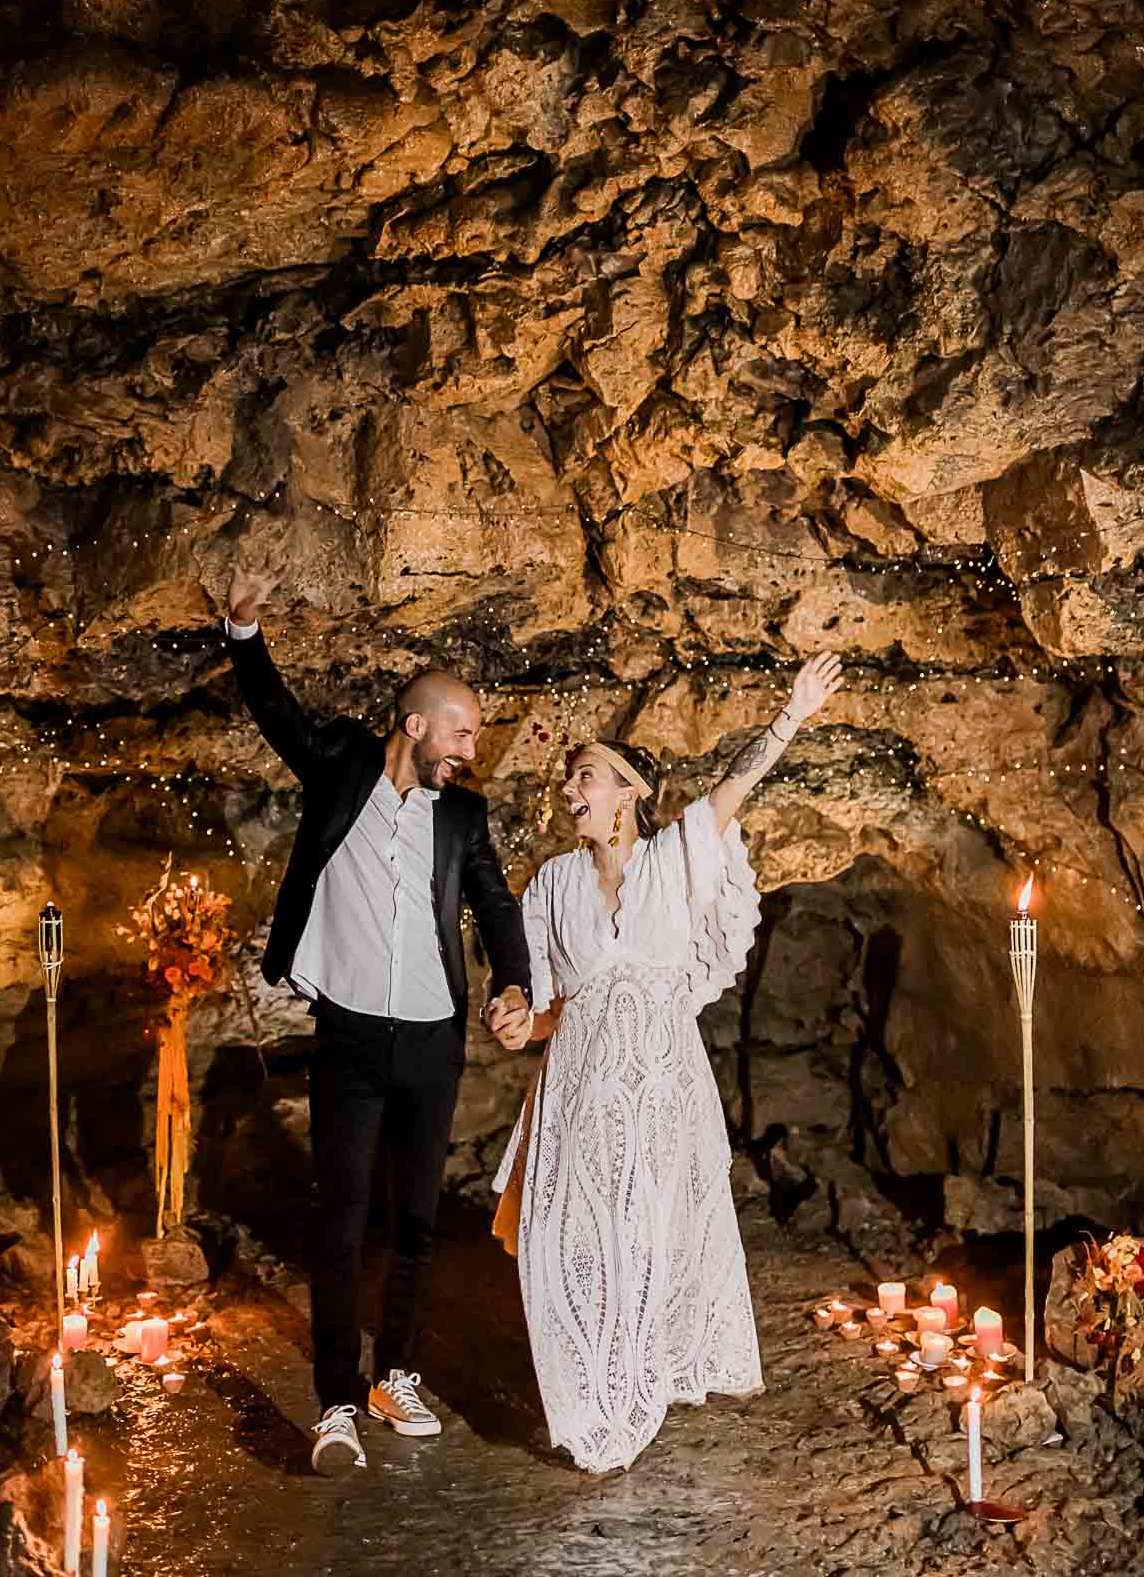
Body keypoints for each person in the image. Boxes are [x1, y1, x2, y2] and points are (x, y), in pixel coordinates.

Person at [492, 652, 845, 1474]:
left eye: (586, 777)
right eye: (569, 781)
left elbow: (735, 787)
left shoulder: (674, 858)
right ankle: (585, 1398)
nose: (570, 792)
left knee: (646, 1233)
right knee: (560, 1238)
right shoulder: (549, 885)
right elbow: (543, 1007)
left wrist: (791, 715)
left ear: (629, 791)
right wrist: (516, 1022)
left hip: (659, 1082)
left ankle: (630, 1392)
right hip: (578, 1085)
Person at [223, 550, 533, 1474]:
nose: (473, 751)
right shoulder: (344, 769)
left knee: (416, 1221)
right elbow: (276, 713)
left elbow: (497, 904)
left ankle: (393, 1374)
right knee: (342, 1214)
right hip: (351, 1035)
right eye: (464, 734)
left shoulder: (462, 818)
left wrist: (513, 981)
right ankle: (333, 1403)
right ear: (415, 725)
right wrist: (245, 630)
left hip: (434, 1037)